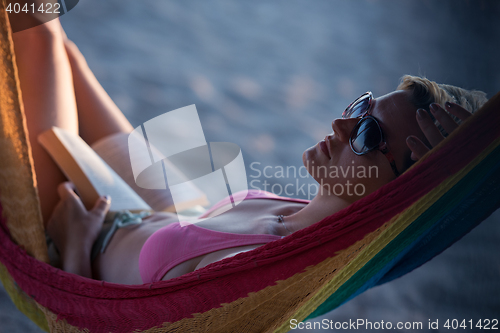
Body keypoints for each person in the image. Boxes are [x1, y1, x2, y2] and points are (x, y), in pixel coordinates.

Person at [12, 18, 487, 285]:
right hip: (182, 203)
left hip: (89, 226)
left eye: (368, 135)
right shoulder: (304, 211)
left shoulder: (261, 276)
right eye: (361, 106)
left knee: (33, 30)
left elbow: (113, 320)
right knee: (62, 48)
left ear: (398, 198)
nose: (342, 125)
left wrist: (74, 247)